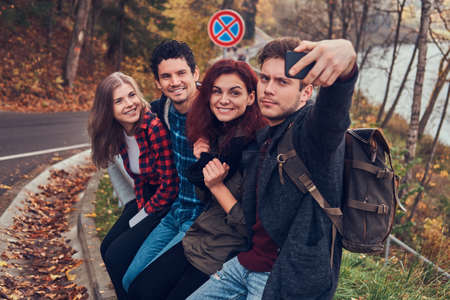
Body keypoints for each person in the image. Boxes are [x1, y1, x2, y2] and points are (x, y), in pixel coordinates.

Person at [188, 38, 358, 300]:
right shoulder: (267, 135)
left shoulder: (311, 136)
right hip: (245, 263)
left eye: (282, 82)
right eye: (265, 78)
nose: (268, 89)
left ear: (306, 92)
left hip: (286, 278)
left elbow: (333, 116)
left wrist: (346, 60)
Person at [126, 59, 267, 300]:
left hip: (224, 252)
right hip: (199, 237)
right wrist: (204, 159)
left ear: (251, 98)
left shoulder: (256, 148)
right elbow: (204, 197)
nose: (223, 100)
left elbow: (251, 227)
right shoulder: (220, 134)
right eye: (216, 91)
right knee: (140, 288)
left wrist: (217, 186)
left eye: (234, 92)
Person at [122, 39, 205, 291]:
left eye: (181, 73)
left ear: (196, 74)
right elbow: (130, 116)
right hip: (175, 211)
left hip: (201, 220)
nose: (175, 82)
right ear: (158, 83)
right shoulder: (164, 110)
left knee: (148, 286)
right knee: (129, 280)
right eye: (166, 76)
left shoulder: (215, 111)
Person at [88, 72, 179, 299]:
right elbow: (139, 178)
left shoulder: (153, 128)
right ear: (107, 109)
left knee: (117, 256)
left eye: (131, 95)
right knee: (106, 248)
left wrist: (141, 215)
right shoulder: (119, 133)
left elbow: (170, 186)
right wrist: (138, 208)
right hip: (146, 199)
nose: (129, 104)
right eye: (119, 101)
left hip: (165, 204)